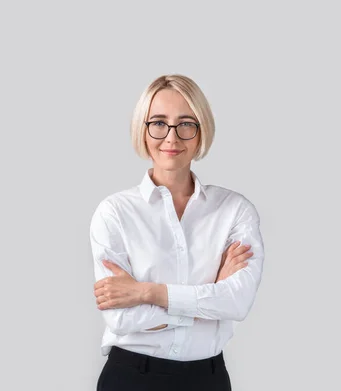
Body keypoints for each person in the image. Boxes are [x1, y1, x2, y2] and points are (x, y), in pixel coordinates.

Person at [90, 74, 265, 391]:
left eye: (186, 123)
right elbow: (121, 319)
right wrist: (208, 298)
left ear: (201, 132)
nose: (171, 137)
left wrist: (146, 293)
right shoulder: (115, 212)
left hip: (207, 380)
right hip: (130, 378)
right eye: (158, 123)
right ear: (142, 131)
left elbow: (237, 303)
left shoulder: (234, 211)